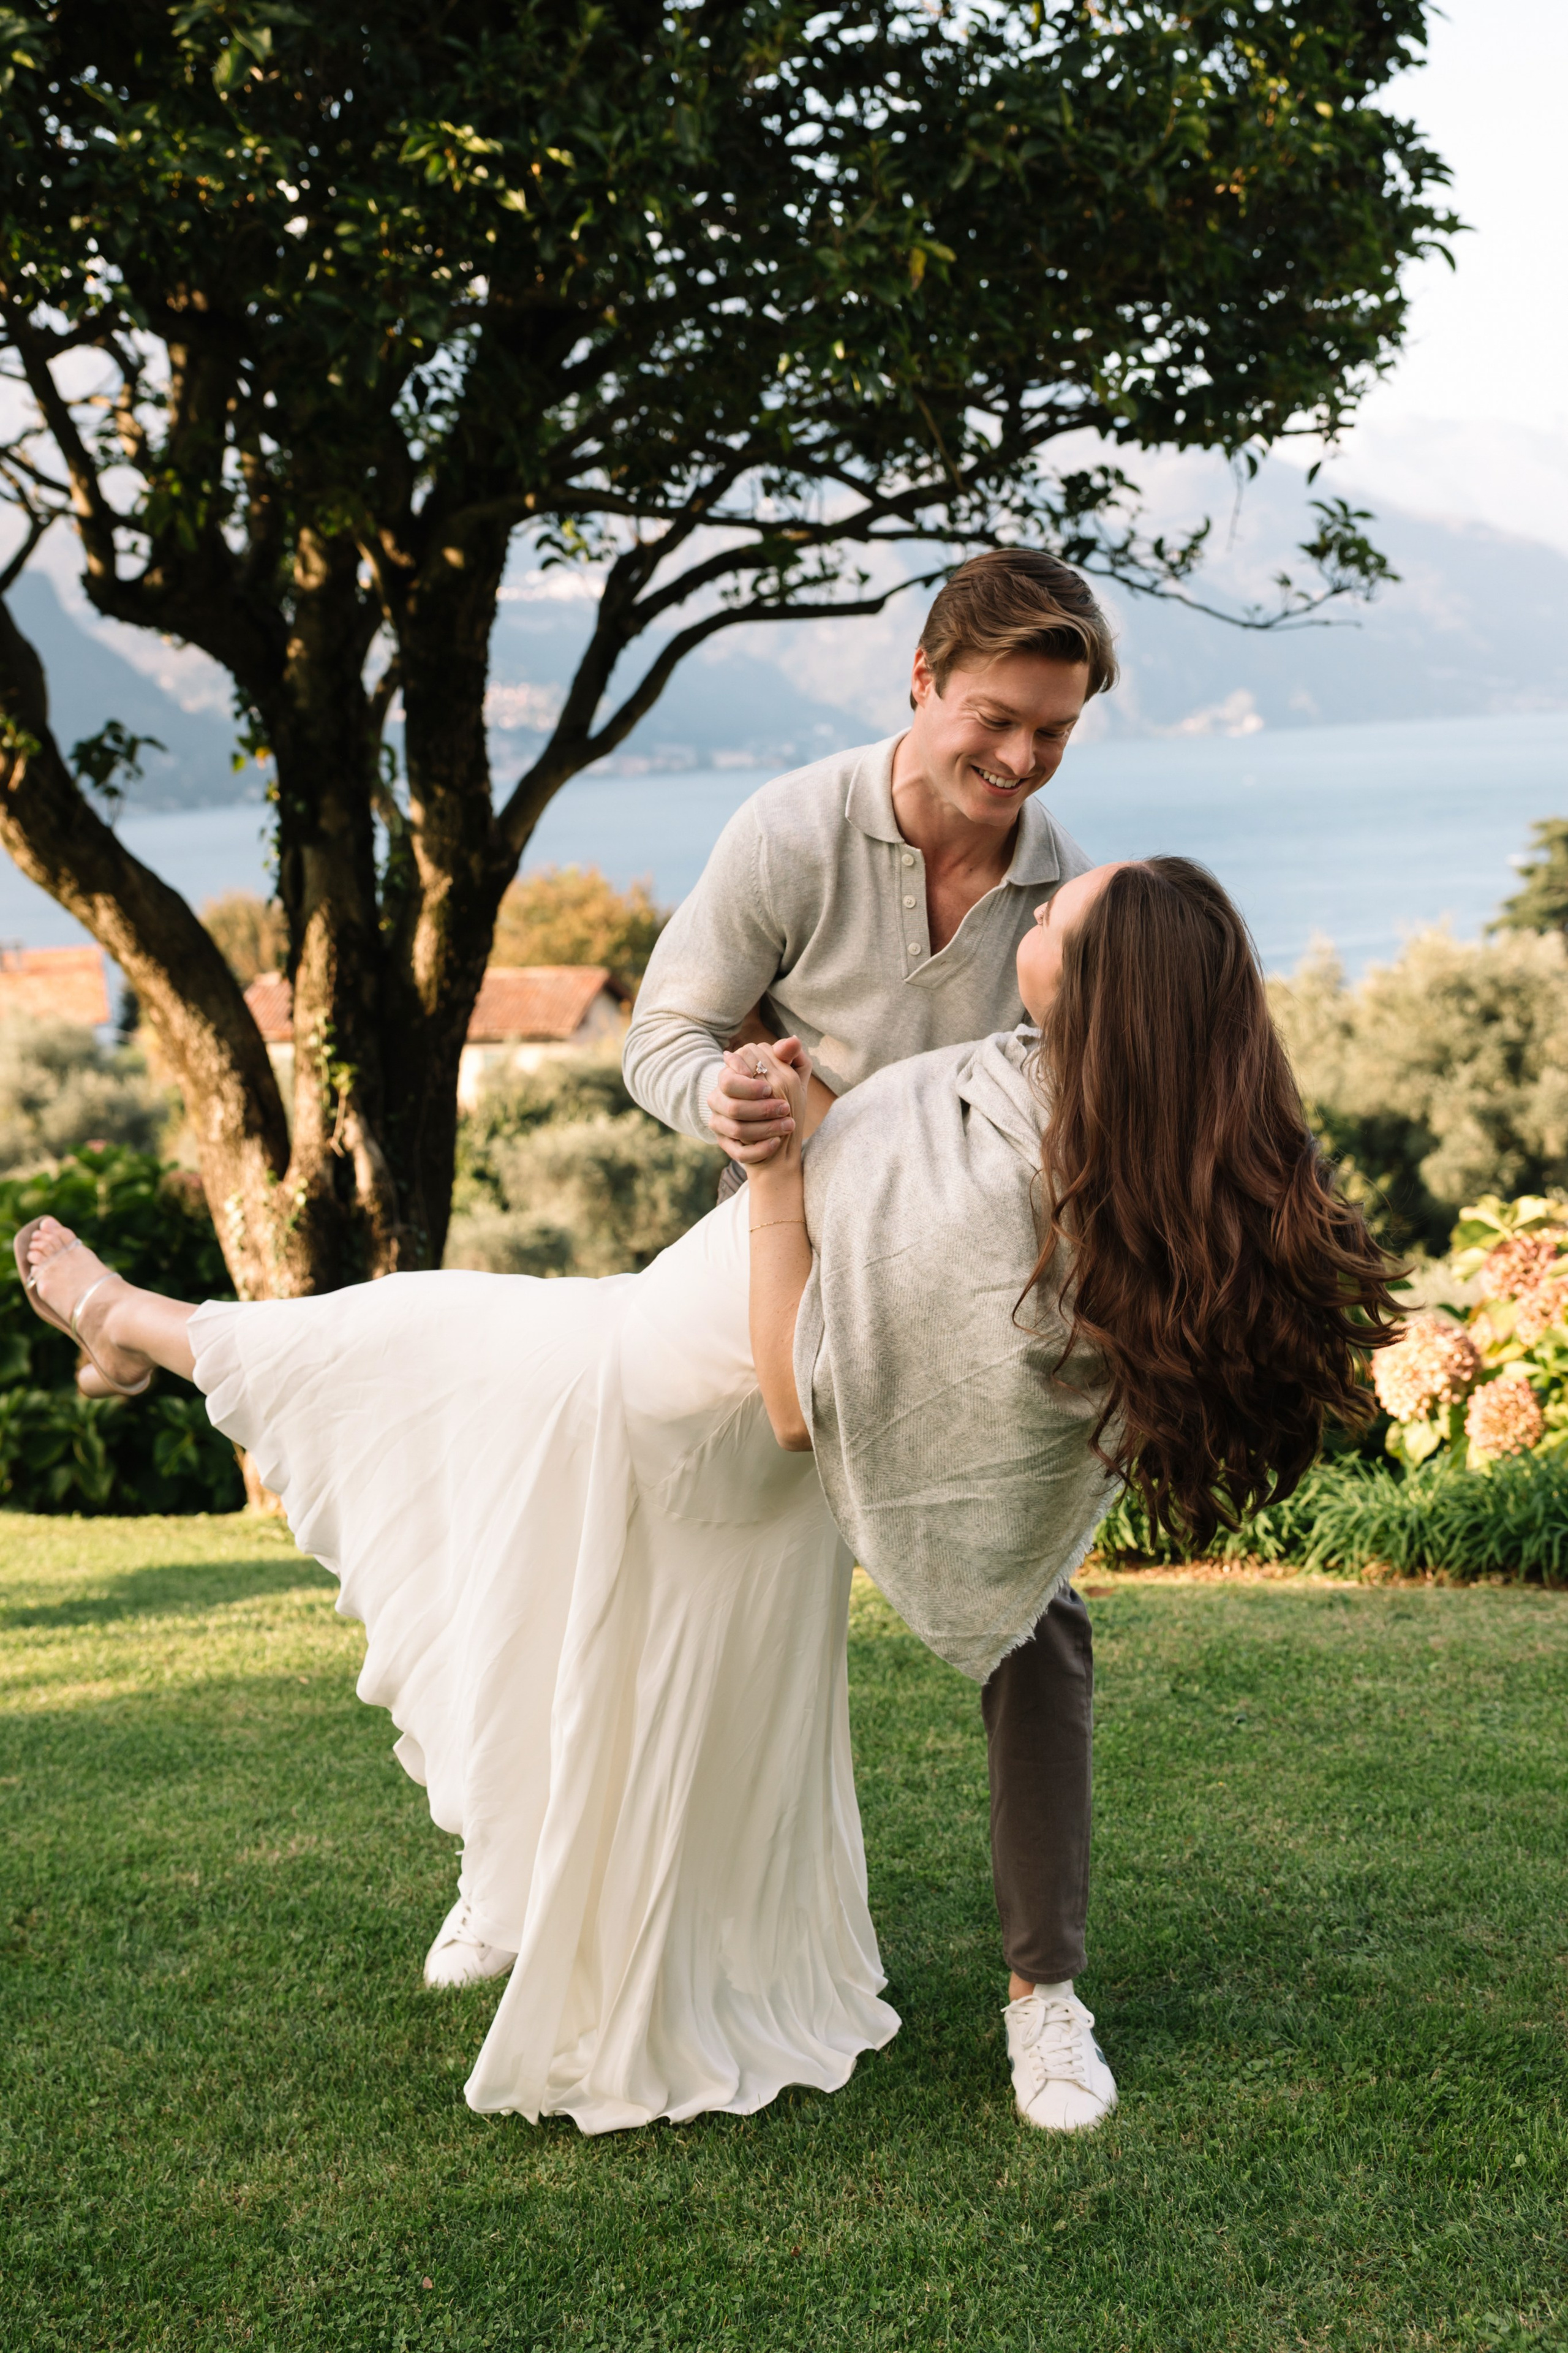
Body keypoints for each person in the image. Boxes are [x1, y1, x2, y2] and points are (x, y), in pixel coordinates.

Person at [13, 857, 1399, 2140]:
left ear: (1106, 998)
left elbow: (802, 1401)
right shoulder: (1024, 1087)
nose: (1027, 916)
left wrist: (782, 1169)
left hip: (695, 1400)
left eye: (1053, 923)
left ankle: (125, 1315)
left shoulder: (1077, 1169)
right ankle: (134, 1323)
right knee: (403, 1396)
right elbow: (880, 1199)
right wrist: (792, 1113)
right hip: (654, 1341)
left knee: (374, 1355)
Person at [623, 547, 1123, 2126]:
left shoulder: (1064, 884)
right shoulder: (787, 829)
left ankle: (1044, 1995)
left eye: (1053, 731)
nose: (1022, 763)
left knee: (1035, 1616)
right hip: (771, 1252)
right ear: (917, 681)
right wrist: (726, 1098)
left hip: (958, 1296)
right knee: (641, 1540)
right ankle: (542, 1881)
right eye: (996, 719)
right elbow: (663, 1036)